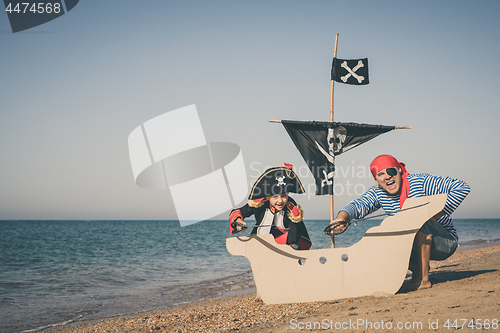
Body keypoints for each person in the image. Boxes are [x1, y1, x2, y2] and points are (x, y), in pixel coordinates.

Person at [327, 155, 470, 290]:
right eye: (381, 174)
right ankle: (418, 269)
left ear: (399, 170)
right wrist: (342, 218)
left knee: (415, 219)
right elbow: (359, 205)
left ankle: (423, 280)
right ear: (376, 181)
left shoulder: (420, 182)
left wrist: (435, 213)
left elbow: (462, 187)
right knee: (380, 237)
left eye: (390, 171)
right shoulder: (378, 193)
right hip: (414, 242)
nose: (387, 176)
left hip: (445, 241)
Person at [229, 164, 312, 250]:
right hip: (261, 240)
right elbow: (238, 212)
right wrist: (239, 222)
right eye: (275, 197)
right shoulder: (259, 203)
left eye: (284, 196)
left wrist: (274, 247)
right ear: (267, 197)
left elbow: (294, 237)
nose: (280, 201)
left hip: (288, 242)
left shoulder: (292, 208)